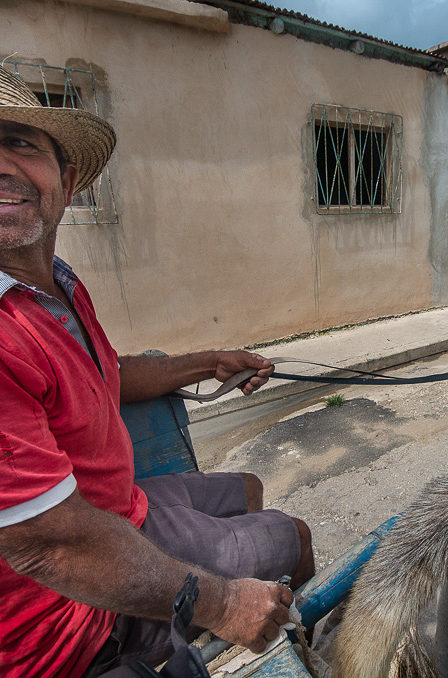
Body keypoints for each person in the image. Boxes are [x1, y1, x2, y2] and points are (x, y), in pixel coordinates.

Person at [0, 66, 314, 677]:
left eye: (19, 143)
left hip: (119, 504)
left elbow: (104, 375)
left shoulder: (56, 285)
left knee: (248, 488)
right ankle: (282, 645)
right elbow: (51, 544)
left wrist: (208, 361)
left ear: (65, 182)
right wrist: (222, 603)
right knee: (293, 537)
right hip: (70, 610)